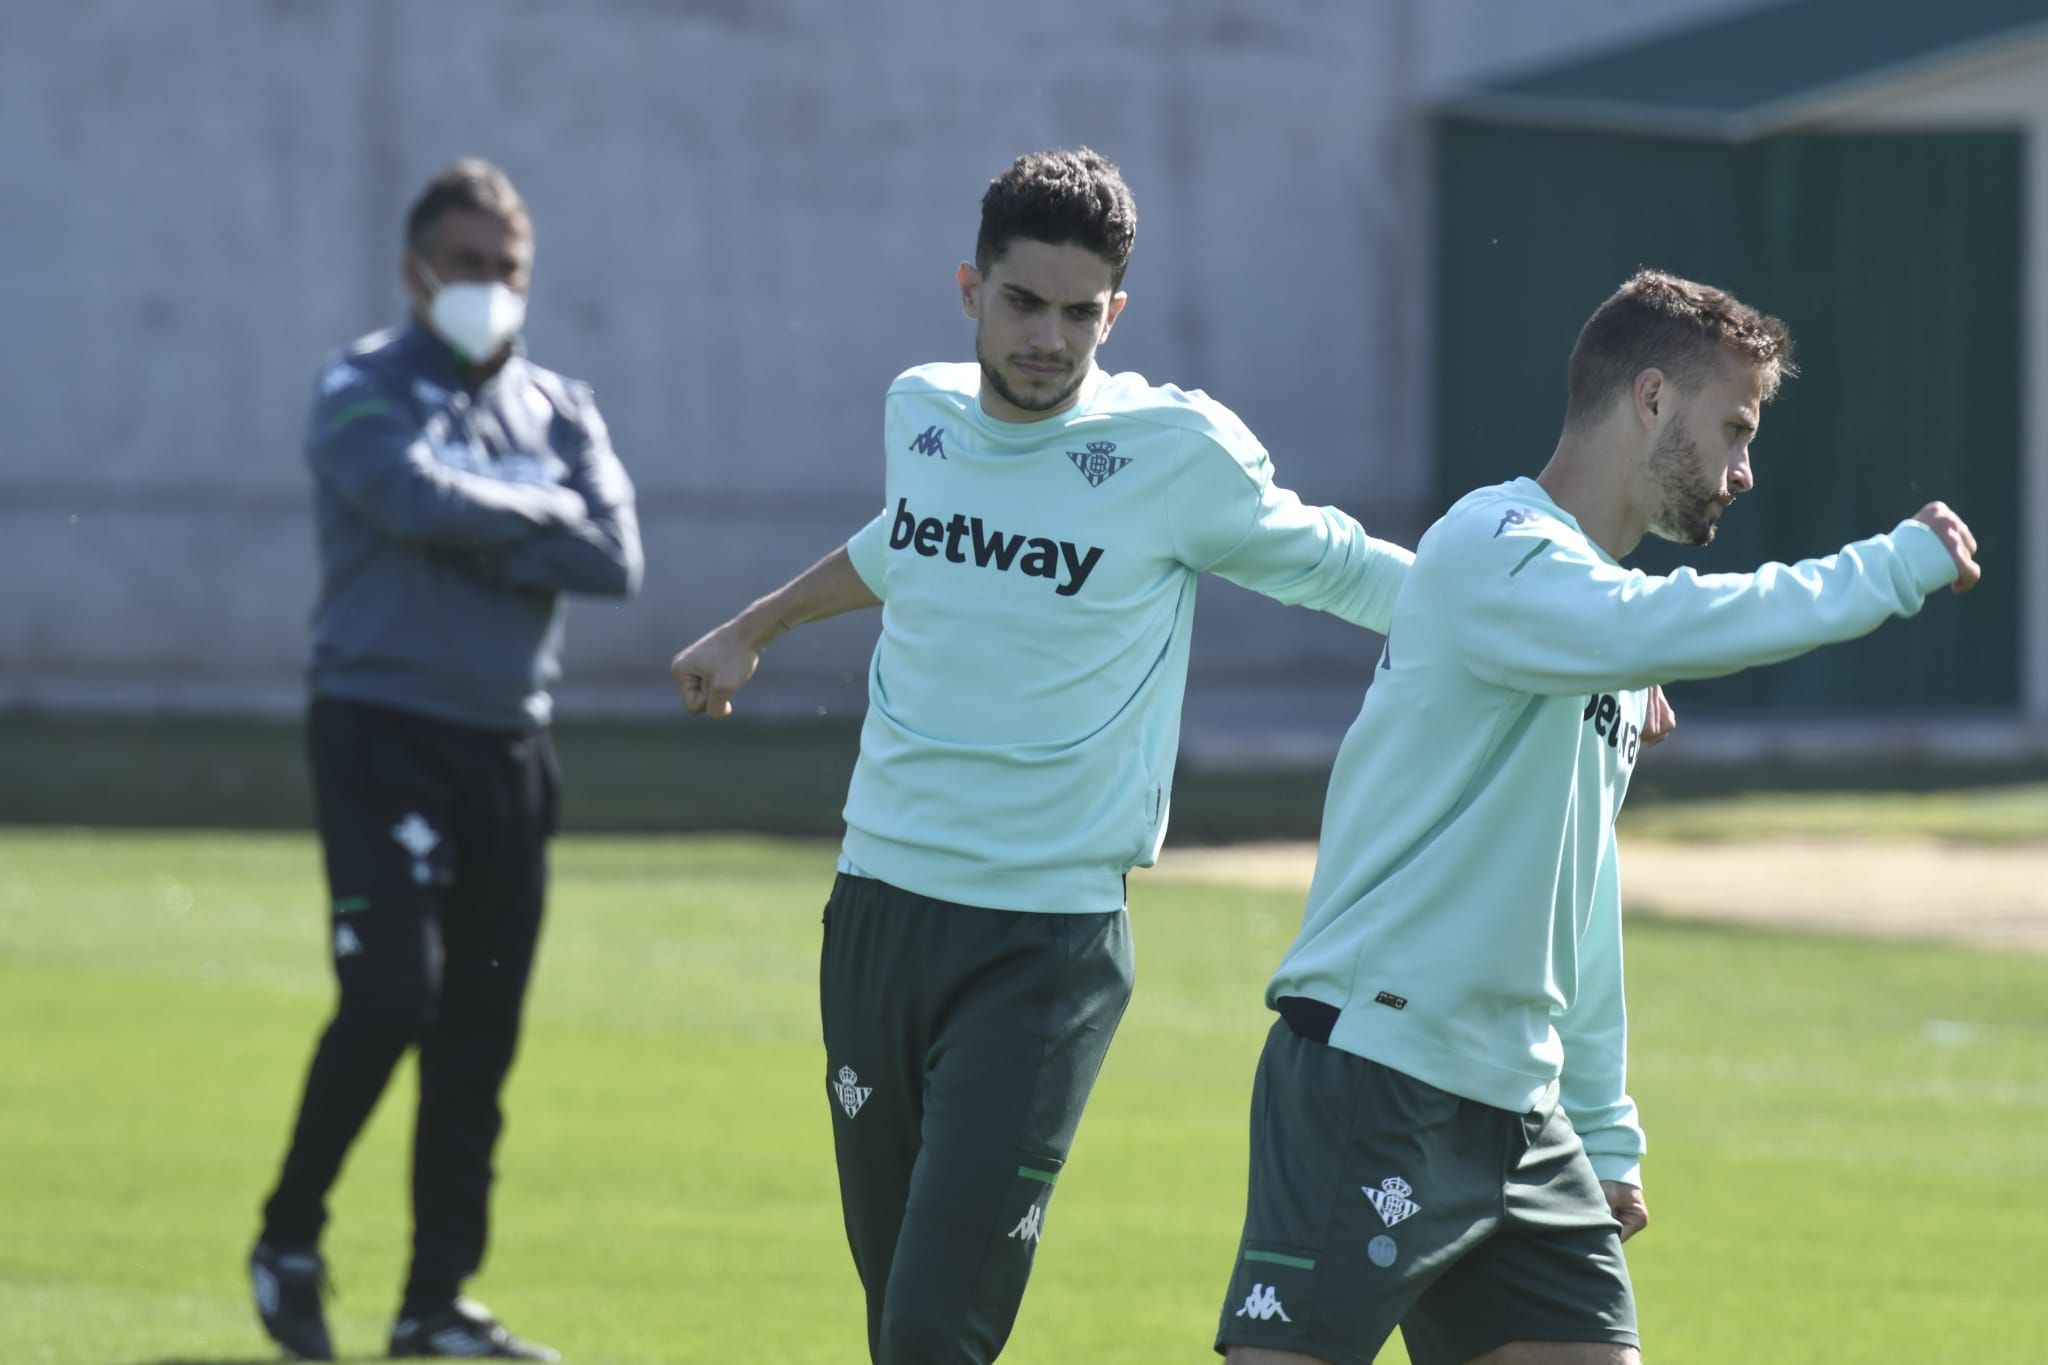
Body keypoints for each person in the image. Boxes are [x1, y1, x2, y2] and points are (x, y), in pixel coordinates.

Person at [667, 147, 1416, 1363]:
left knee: (932, 1330)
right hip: (875, 912)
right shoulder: (917, 413)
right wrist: (754, 628)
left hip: (1042, 943)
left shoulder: (1173, 454)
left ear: (1114, 312)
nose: (1047, 339)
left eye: (1080, 314)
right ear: (970, 289)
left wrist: (1574, 639)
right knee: (897, 1316)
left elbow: (1345, 567)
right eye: (1022, 303)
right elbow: (907, 540)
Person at [1212, 269, 1981, 1365]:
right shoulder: (1492, 544)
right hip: (1378, 1071)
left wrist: (1604, 1124)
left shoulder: (1599, 630)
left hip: (1519, 1111)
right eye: (1734, 429)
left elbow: (1578, 884)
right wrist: (1888, 568)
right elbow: (1661, 623)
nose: (1744, 470)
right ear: (1652, 398)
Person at [250, 158, 642, 1362]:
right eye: (467, 264)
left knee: (477, 1033)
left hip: (510, 742)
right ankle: (289, 1237)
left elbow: (615, 558)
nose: (490, 286)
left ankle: (433, 1305)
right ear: (415, 271)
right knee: (390, 996)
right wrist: (537, 518)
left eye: (507, 267)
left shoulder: (558, 405)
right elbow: (406, 499)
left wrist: (482, 524)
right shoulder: (359, 386)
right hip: (382, 728)